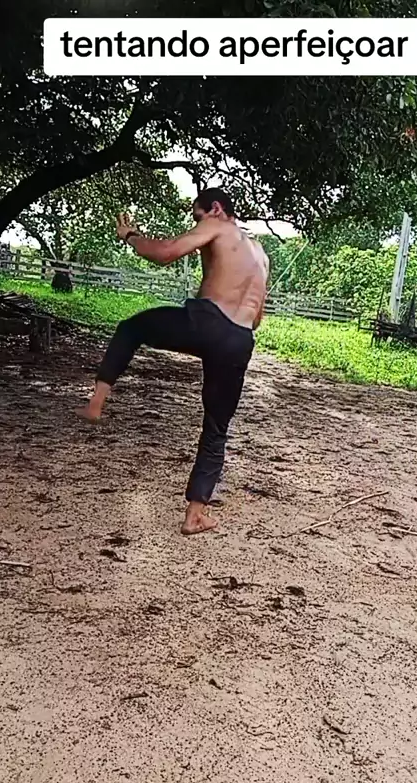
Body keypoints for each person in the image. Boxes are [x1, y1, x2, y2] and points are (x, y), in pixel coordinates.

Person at [77, 188, 269, 536]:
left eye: (197, 216)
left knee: (131, 327)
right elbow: (257, 318)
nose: (197, 222)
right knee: (216, 429)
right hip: (240, 339)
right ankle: (195, 515)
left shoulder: (218, 226)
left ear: (215, 208)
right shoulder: (261, 253)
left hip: (209, 321)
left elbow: (166, 253)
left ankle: (96, 402)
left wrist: (131, 236)